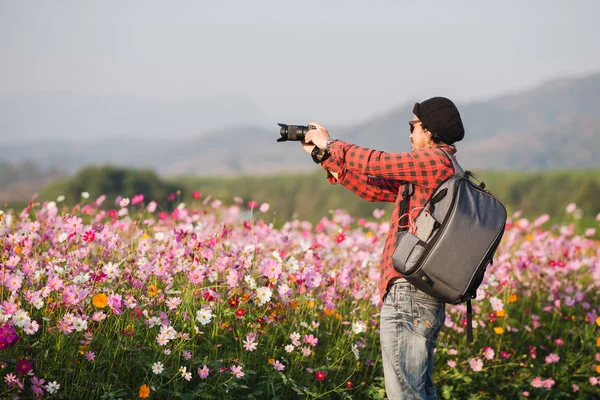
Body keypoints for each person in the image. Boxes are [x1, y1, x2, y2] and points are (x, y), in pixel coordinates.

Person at [301, 97, 465, 400]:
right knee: (417, 390)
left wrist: (333, 143)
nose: (410, 134)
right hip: (420, 293)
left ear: (428, 131)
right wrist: (325, 156)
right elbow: (375, 186)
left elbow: (379, 163)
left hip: (411, 293)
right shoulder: (441, 168)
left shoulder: (434, 161)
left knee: (404, 393)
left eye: (412, 126)